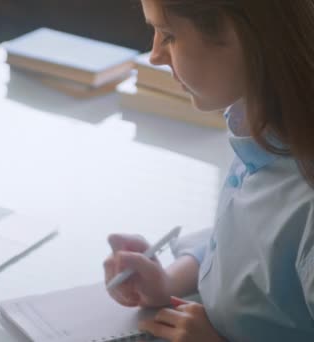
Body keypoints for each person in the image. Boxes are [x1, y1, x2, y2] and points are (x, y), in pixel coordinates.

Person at [103, 1, 314, 341]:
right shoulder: (258, 125)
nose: (155, 54)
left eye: (168, 35)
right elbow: (255, 254)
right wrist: (171, 280)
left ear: (237, 33)